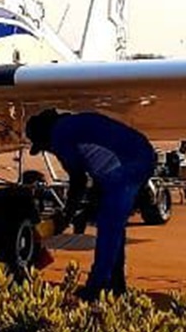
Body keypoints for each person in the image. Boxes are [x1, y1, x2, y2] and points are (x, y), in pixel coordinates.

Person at [26, 109, 155, 300]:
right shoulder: (74, 123)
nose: (49, 150)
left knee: (109, 225)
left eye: (44, 147)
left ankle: (98, 286)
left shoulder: (60, 135)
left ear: (45, 137)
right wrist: (85, 210)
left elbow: (78, 180)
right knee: (113, 225)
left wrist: (66, 216)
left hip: (127, 165)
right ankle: (116, 284)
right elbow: (95, 165)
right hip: (139, 154)